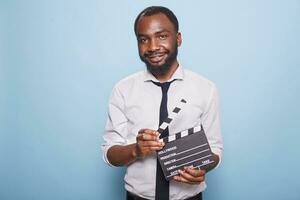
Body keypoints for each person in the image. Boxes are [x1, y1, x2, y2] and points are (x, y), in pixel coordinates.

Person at [102, 6, 223, 200]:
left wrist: (203, 167)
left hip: (188, 197)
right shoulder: (122, 90)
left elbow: (215, 150)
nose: (152, 47)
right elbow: (109, 154)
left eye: (162, 36)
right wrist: (135, 149)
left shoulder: (205, 89)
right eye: (143, 39)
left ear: (178, 38)